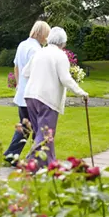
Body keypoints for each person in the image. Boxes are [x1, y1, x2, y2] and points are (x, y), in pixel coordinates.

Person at [22, 27, 89, 167]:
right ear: (63, 43)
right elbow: (65, 79)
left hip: (30, 96)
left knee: (42, 134)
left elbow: (25, 72)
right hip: (47, 99)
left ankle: (50, 163)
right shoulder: (60, 55)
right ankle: (29, 163)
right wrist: (81, 92)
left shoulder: (39, 52)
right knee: (46, 135)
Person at [4, 21, 51, 165]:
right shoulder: (36, 50)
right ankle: (36, 158)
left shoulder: (22, 45)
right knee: (38, 128)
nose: (47, 39)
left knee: (24, 126)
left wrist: (19, 84)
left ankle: (12, 154)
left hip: (22, 93)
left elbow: (16, 66)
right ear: (42, 34)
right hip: (32, 95)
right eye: (46, 35)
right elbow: (36, 73)